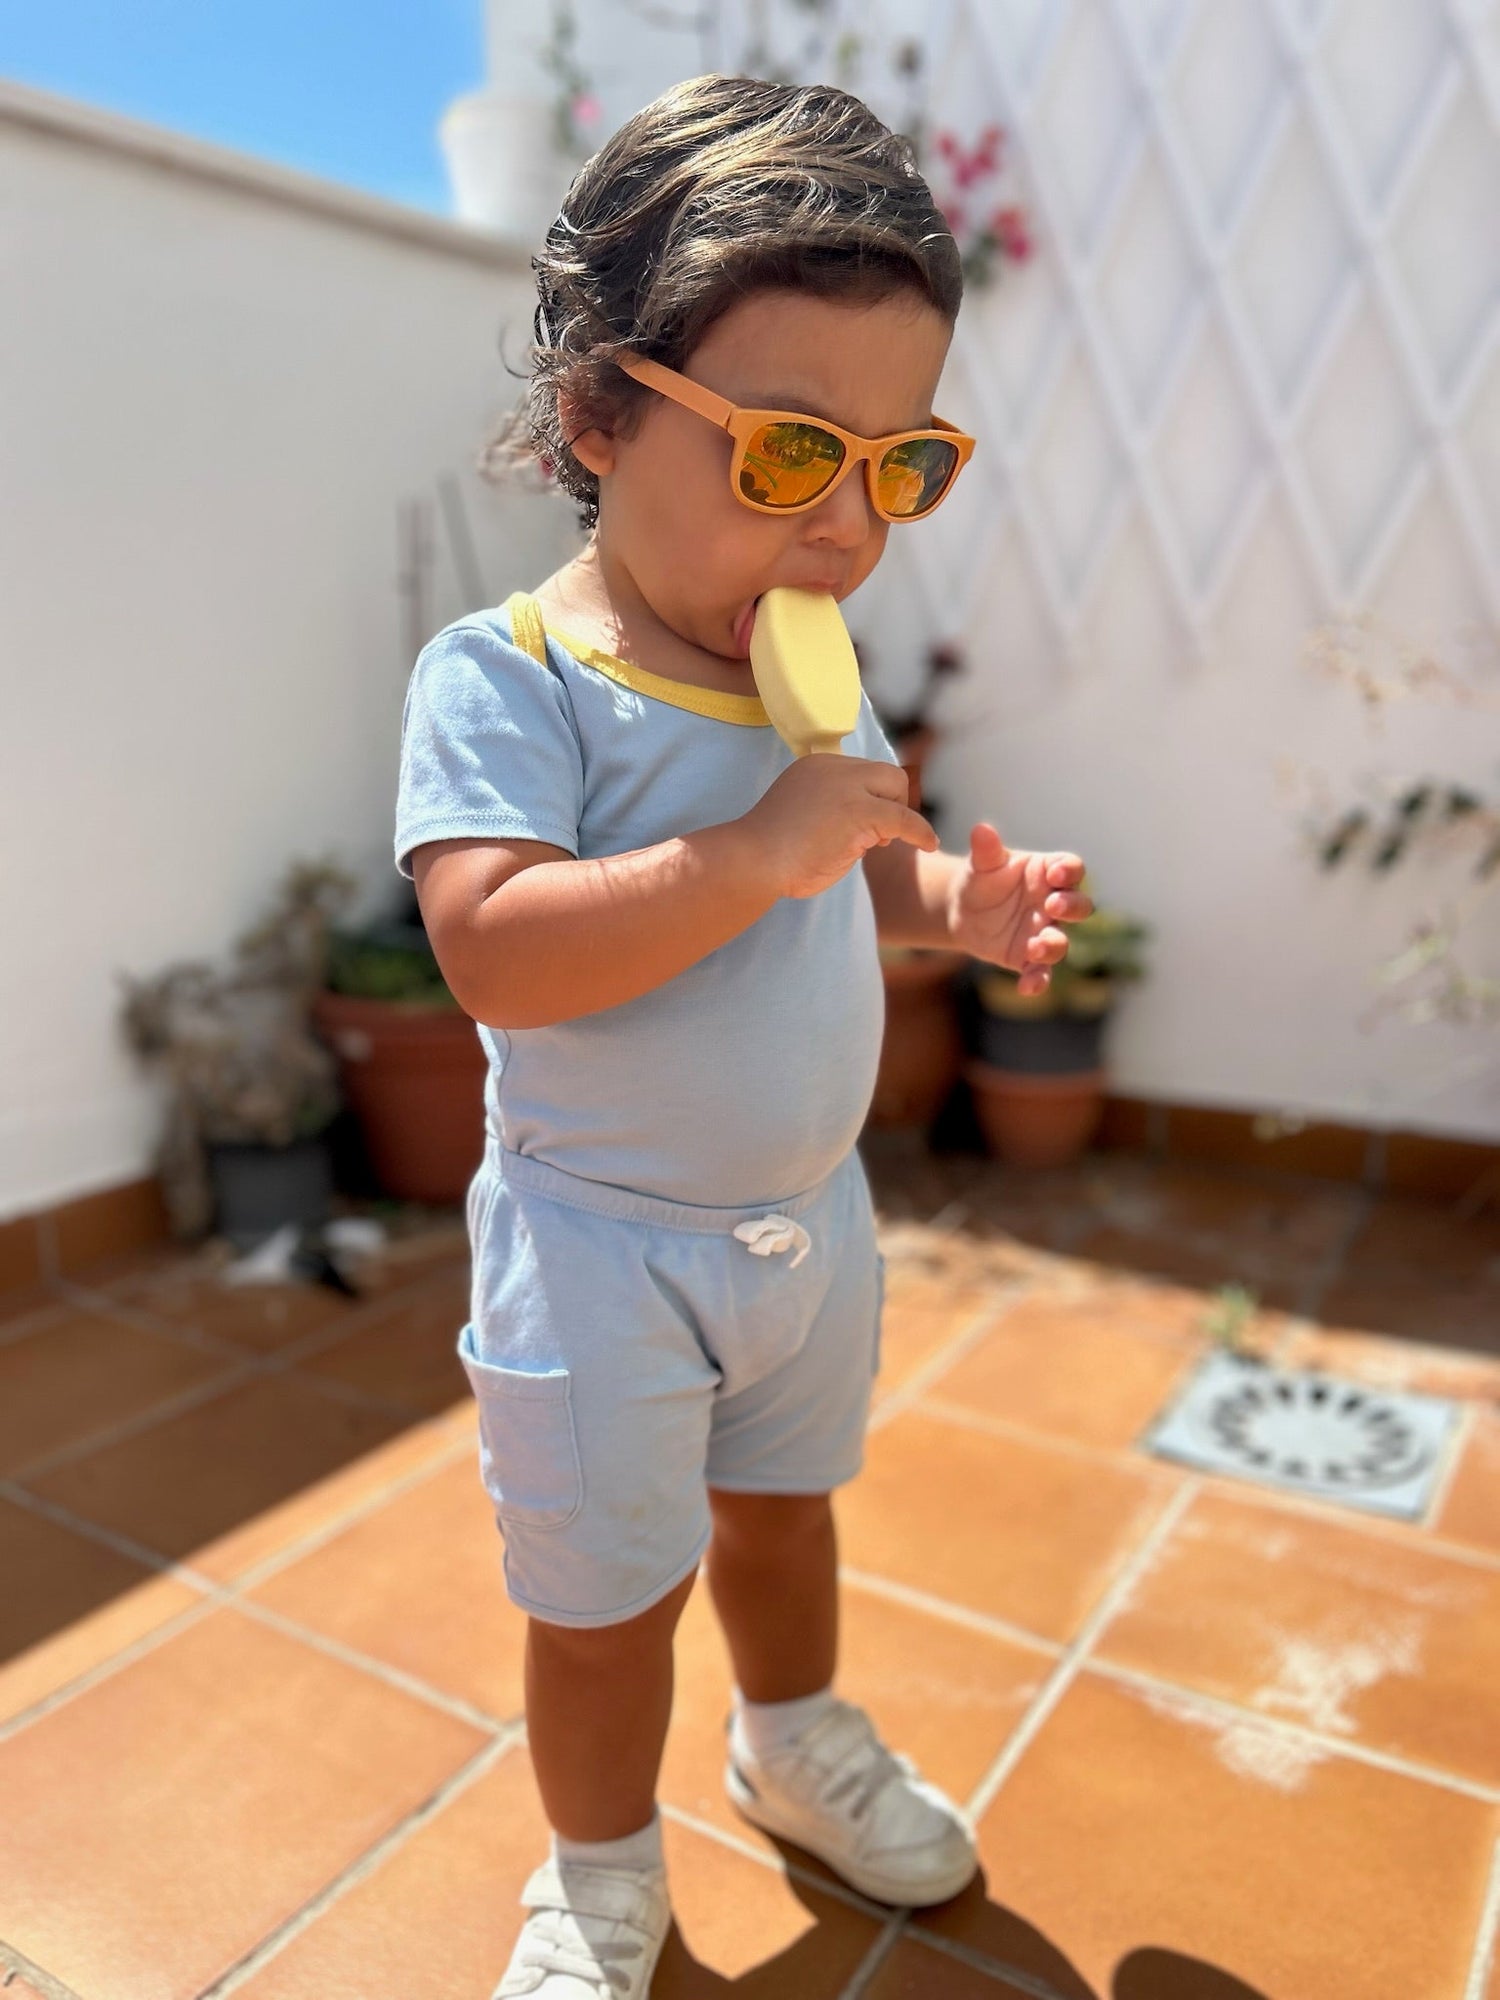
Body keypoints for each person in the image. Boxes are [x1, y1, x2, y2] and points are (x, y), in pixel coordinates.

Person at [396, 72, 1090, 2000]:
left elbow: (833, 875)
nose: (848, 525)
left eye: (900, 465)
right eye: (789, 455)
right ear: (600, 412)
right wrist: (749, 846)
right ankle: (600, 1875)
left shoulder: (813, 671)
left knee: (786, 1530)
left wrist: (945, 904)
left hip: (809, 1228)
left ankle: (792, 1742)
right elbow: (494, 953)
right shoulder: (512, 679)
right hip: (599, 1250)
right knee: (607, 1605)